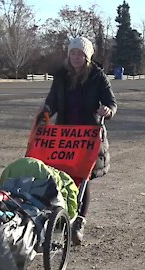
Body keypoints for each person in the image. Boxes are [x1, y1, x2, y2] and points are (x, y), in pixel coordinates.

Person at [36, 36, 117, 245]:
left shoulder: (97, 77)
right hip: (64, 135)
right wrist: (45, 113)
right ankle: (62, 216)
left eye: (80, 54)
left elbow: (111, 102)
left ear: (87, 56)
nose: (76, 57)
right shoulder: (61, 76)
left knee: (83, 178)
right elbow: (52, 101)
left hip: (88, 136)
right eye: (73, 53)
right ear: (68, 55)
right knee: (61, 175)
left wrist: (107, 110)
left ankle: (79, 221)